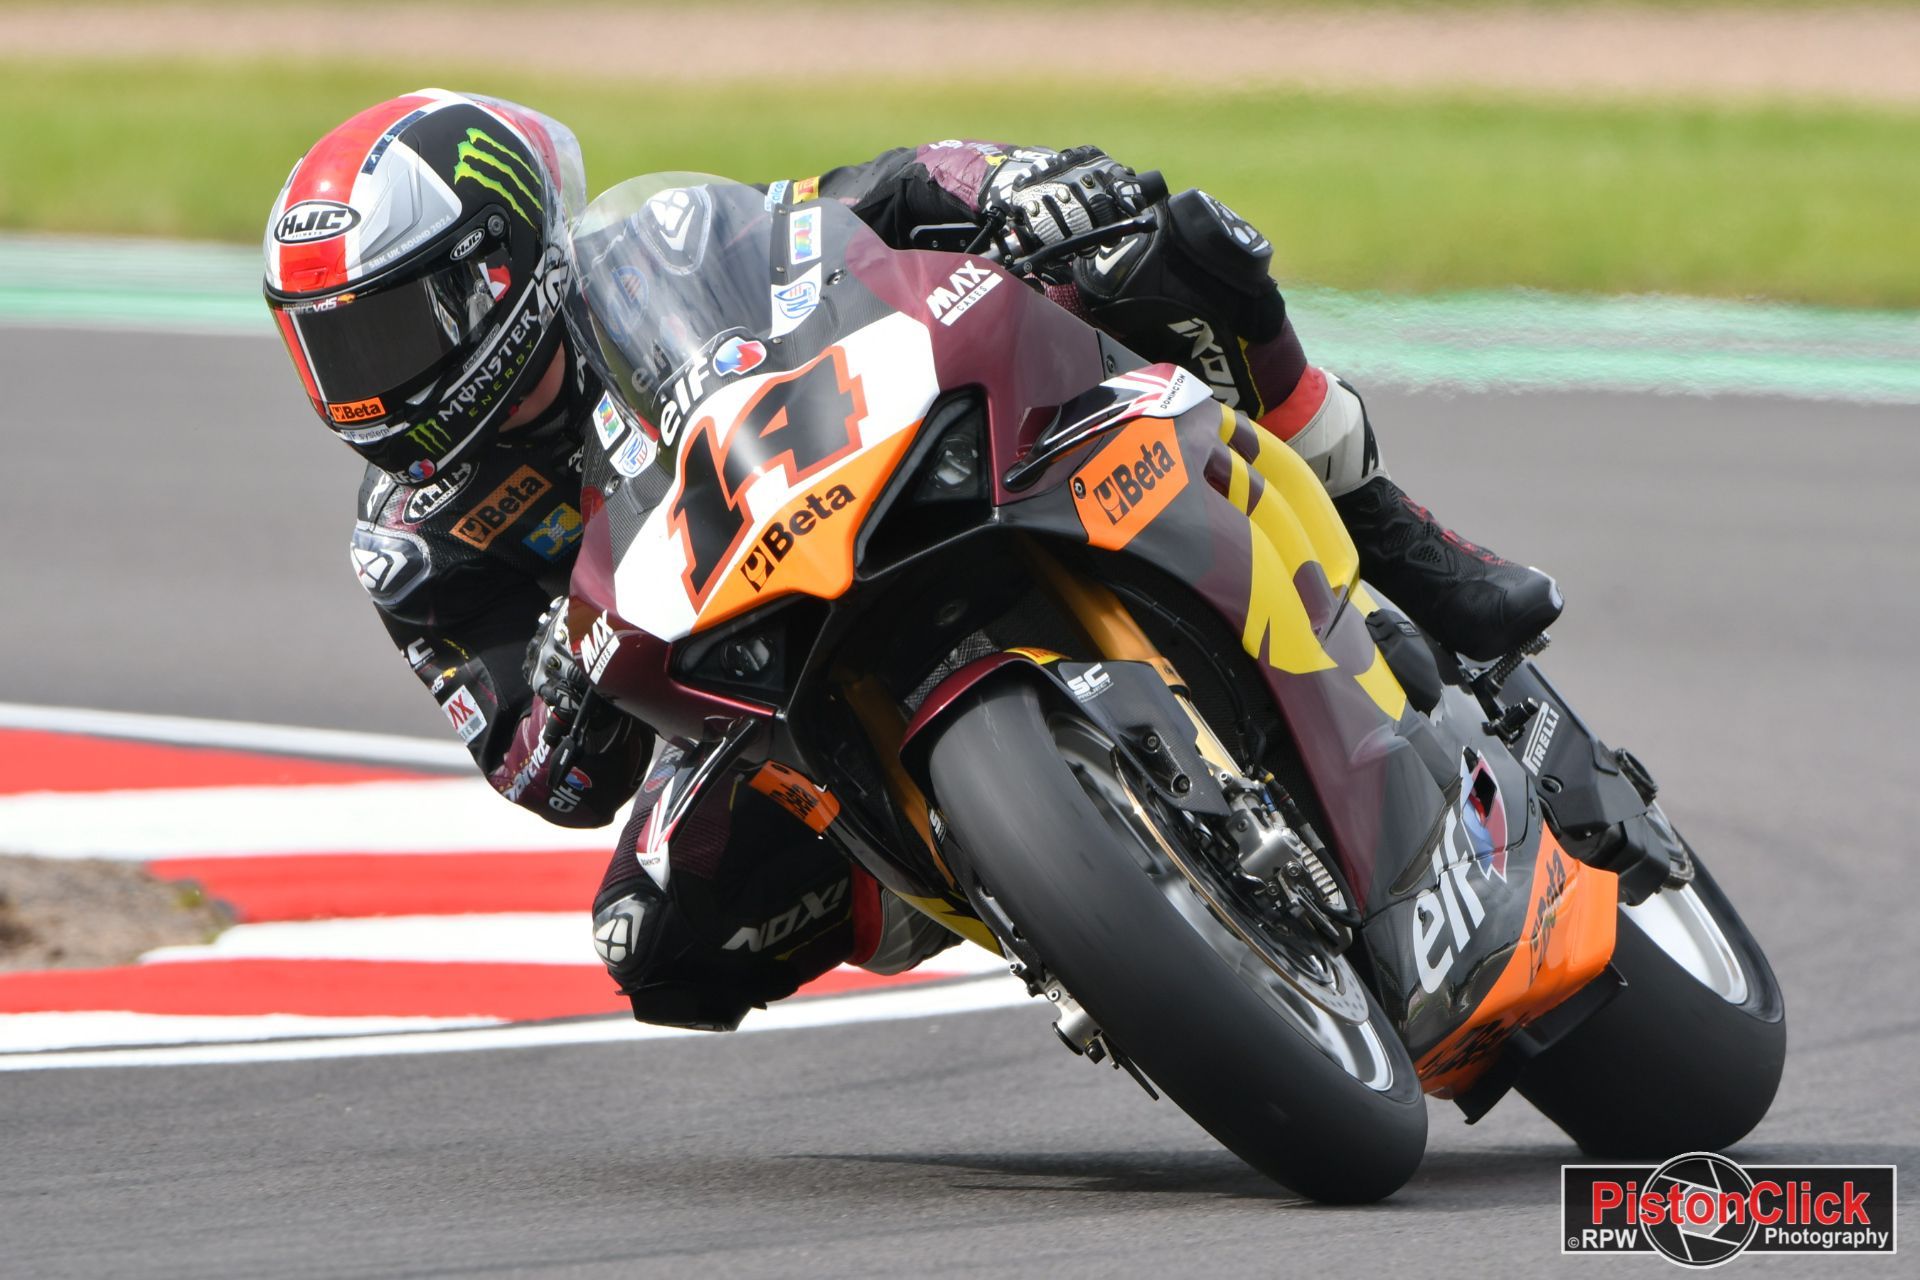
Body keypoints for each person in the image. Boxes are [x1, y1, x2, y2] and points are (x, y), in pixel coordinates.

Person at [265, 92, 1562, 1032]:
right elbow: (545, 775)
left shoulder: (654, 244)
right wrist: (562, 690)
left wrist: (1016, 186)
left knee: (1165, 245)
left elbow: (872, 199)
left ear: (494, 268)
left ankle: (1391, 532)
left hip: (881, 472)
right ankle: (1030, 893)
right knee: (652, 940)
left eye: (383, 335)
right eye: (326, 350)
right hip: (732, 681)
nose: (360, 389)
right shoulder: (415, 543)